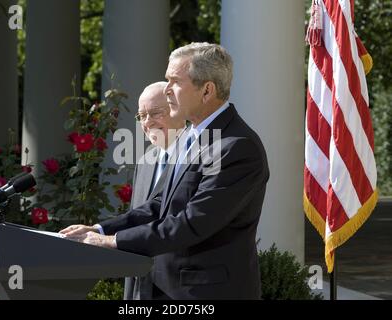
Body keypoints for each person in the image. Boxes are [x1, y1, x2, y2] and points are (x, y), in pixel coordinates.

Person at [60, 42, 269, 299]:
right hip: (163, 291)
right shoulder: (193, 136)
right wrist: (100, 229)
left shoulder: (236, 146)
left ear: (206, 90)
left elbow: (192, 222)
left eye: (175, 81)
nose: (167, 89)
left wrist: (112, 242)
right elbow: (160, 206)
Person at [123, 81, 186, 299]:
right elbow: (136, 220)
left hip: (180, 290)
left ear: (178, 108)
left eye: (156, 113)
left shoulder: (199, 156)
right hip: (142, 288)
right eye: (142, 115)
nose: (148, 122)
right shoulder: (145, 161)